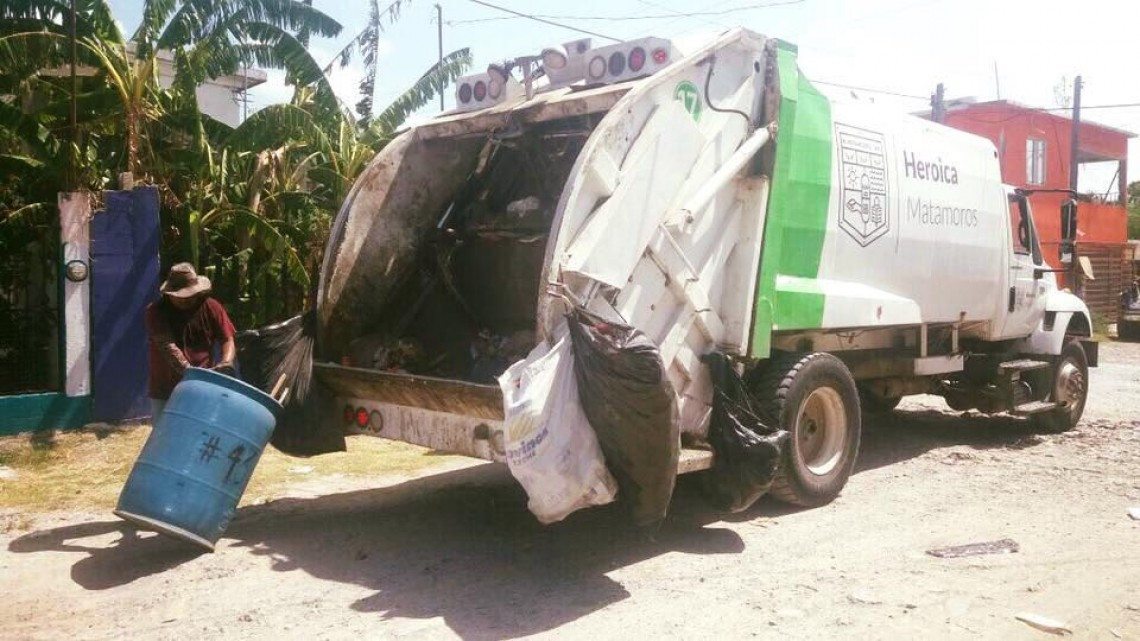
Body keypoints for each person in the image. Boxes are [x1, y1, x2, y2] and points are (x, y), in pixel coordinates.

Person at [146, 263, 237, 418]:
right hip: (166, 390)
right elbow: (167, 347)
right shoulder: (156, 311)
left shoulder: (211, 307)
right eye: (179, 296)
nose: (185, 300)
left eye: (189, 296)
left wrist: (226, 363)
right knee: (166, 438)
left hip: (203, 389)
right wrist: (194, 375)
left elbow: (227, 338)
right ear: (170, 293)